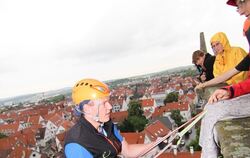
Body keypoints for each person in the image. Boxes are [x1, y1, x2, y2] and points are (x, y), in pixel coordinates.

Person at [199, 1, 250, 158]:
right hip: (242, 91)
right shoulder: (217, 60)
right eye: (212, 46)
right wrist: (227, 89)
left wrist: (231, 90)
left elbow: (235, 75)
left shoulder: (237, 52)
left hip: (244, 92)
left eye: (240, 4)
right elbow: (226, 76)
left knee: (213, 111)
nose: (239, 12)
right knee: (211, 108)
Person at [64, 78, 158, 158]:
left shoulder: (107, 124)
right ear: (87, 108)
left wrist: (155, 145)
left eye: (108, 102)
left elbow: (127, 150)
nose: (110, 107)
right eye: (104, 103)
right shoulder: (76, 144)